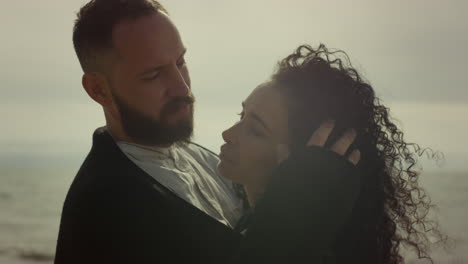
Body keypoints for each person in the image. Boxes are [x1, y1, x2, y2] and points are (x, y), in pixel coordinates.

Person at [55, 1, 362, 263]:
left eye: (180, 62)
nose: (182, 86)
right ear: (98, 89)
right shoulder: (104, 206)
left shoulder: (202, 159)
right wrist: (298, 211)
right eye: (153, 74)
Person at [219, 44, 444, 263]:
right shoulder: (244, 222)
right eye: (242, 116)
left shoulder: (312, 252)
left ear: (306, 161)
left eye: (256, 130)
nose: (227, 133)